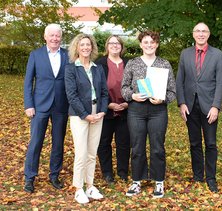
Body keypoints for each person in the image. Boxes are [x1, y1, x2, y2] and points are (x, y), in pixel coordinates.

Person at [121, 31, 176, 198]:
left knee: (157, 147)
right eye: (145, 42)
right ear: (140, 45)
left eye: (152, 42)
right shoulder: (132, 63)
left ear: (157, 44)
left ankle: (159, 181)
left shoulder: (164, 64)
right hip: (136, 110)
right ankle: (136, 181)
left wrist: (162, 99)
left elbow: (172, 91)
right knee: (137, 146)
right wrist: (133, 96)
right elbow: (124, 88)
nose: (149, 45)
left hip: (157, 111)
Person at [176, 22, 222, 193]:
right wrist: (181, 103)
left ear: (209, 34)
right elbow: (179, 80)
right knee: (194, 142)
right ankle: (198, 175)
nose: (201, 34)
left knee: (210, 143)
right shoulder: (185, 54)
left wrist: (216, 106)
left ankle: (211, 178)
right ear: (193, 34)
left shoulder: (217, 55)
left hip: (209, 106)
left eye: (204, 31)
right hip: (190, 105)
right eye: (198, 31)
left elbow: (220, 83)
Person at [23, 23, 69, 193]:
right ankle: (29, 177)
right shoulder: (35, 55)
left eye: (57, 35)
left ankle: (54, 175)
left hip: (61, 106)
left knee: (58, 142)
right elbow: (28, 82)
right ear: (45, 36)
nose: (55, 38)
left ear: (61, 37)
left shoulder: (67, 55)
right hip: (39, 105)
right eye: (52, 35)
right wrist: (29, 105)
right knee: (35, 142)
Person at [65, 34, 109, 204]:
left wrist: (102, 112)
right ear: (77, 47)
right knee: (81, 153)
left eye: (88, 45)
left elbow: (104, 93)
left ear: (92, 48)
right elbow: (71, 95)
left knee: (92, 153)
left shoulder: (97, 68)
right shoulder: (70, 68)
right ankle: (78, 188)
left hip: (97, 113)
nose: (85, 48)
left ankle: (90, 185)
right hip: (79, 115)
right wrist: (85, 115)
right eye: (82, 45)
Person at [95, 35, 130, 184]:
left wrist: (129, 102)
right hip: (105, 109)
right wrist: (108, 104)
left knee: (124, 143)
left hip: (126, 110)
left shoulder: (129, 63)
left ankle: (122, 172)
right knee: (104, 143)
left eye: (117, 43)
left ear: (122, 47)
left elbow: (136, 84)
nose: (114, 45)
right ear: (107, 46)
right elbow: (95, 87)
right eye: (111, 43)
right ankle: (107, 172)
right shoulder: (99, 64)